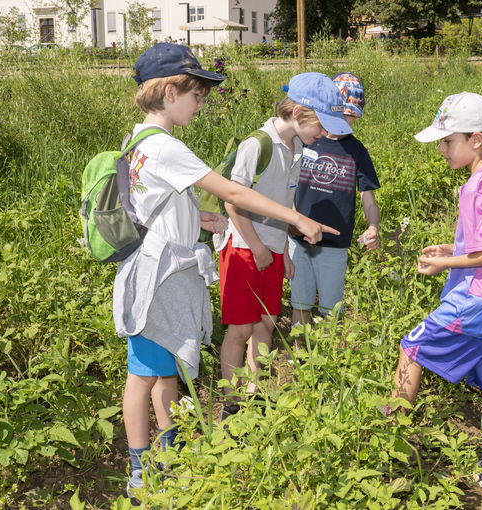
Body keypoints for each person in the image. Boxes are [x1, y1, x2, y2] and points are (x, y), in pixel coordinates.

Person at [115, 43, 334, 498]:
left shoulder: (136, 141)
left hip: (158, 271)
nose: (202, 103)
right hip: (159, 279)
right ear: (170, 92)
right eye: (197, 94)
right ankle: (140, 468)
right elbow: (233, 190)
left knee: (163, 371)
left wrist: (205, 221)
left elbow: (158, 208)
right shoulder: (164, 146)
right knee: (144, 374)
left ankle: (168, 453)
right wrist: (295, 218)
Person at [386, 92, 482, 498]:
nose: (443, 150)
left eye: (449, 141)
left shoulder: (475, 186)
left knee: (412, 347)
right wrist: (451, 249)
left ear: (477, 139)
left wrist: (443, 265)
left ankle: (387, 443)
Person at [213, 72, 350, 420]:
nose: (323, 134)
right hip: (244, 246)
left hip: (273, 249)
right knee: (240, 328)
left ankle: (254, 392)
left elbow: (284, 203)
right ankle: (232, 402)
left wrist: (285, 251)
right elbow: (234, 202)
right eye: (321, 125)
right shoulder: (257, 145)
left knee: (267, 323)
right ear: (301, 115)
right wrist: (258, 246)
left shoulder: (300, 148)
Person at [289, 72, 381, 328]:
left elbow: (369, 199)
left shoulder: (356, 151)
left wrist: (373, 226)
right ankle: (300, 359)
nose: (347, 122)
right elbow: (286, 187)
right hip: (298, 239)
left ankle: (328, 361)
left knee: (332, 309)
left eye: (353, 117)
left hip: (335, 243)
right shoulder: (305, 141)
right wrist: (293, 220)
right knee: (300, 304)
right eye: (343, 115)